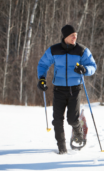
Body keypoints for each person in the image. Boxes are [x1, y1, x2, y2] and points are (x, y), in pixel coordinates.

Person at [37, 25, 97, 154]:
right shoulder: (54, 50)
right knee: (57, 120)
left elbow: (92, 66)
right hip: (58, 89)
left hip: (74, 89)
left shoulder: (82, 50)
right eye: (72, 35)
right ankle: (62, 149)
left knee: (72, 119)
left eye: (76, 35)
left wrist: (84, 69)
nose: (75, 37)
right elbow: (43, 64)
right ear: (65, 36)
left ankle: (78, 130)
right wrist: (42, 78)